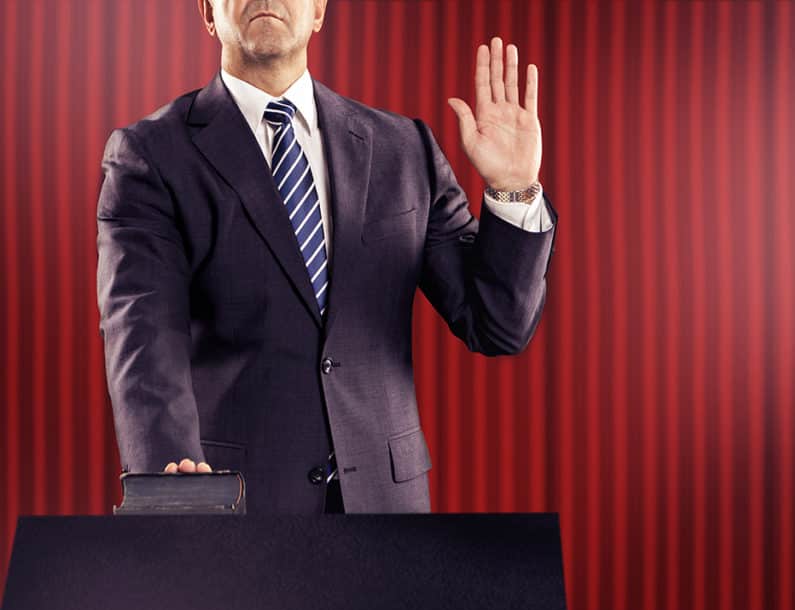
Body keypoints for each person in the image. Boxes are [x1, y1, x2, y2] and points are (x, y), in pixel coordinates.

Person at [96, 0, 558, 514]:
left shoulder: (405, 149)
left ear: (319, 11)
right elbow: (144, 339)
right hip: (235, 509)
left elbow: (496, 324)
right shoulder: (151, 155)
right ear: (208, 12)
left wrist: (514, 189)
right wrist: (174, 490)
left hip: (387, 510)